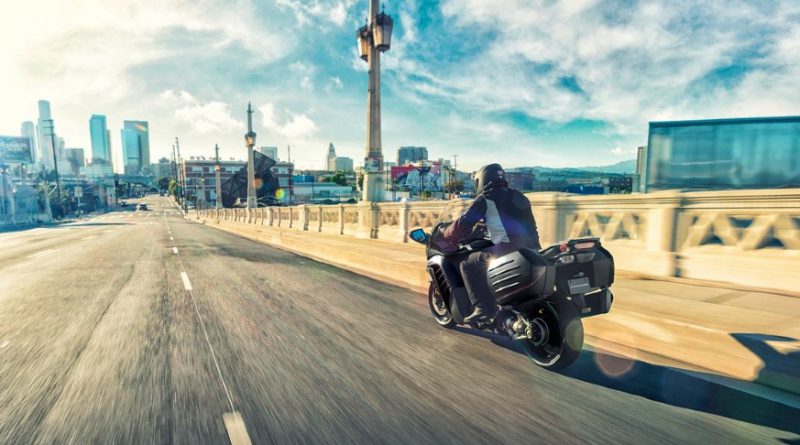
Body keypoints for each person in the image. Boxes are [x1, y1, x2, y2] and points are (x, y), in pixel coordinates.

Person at [442, 163, 541, 322]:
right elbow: (530, 226)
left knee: (467, 264)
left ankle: (483, 308)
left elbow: (464, 223)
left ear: (482, 180)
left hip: (506, 249)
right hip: (531, 249)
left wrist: (446, 233)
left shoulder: (486, 198)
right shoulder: (521, 197)